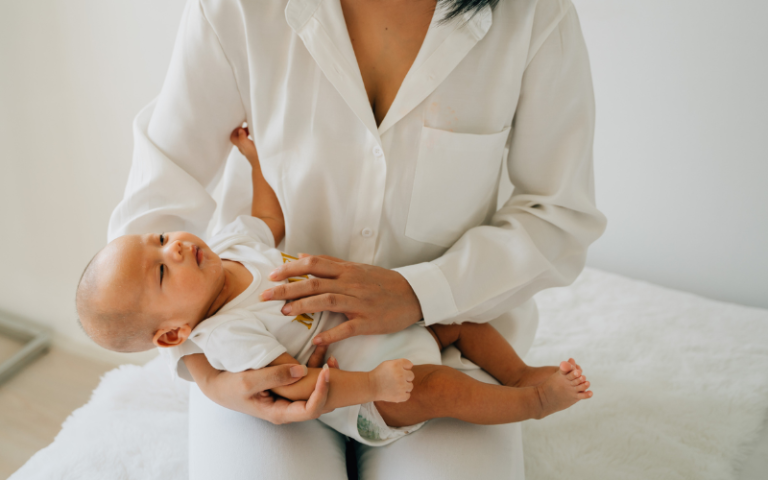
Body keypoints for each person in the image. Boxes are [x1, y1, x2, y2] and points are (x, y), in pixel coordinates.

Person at [108, 0, 606, 477]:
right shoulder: (236, 6)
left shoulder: (535, 14)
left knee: (443, 395)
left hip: (444, 336)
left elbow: (558, 214)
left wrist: (418, 292)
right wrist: (210, 376)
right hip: (269, 370)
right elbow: (155, 204)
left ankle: (529, 390)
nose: (171, 249)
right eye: (162, 261)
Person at [78, 127, 592, 445]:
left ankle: (520, 373)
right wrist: (375, 386)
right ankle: (534, 403)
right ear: (172, 334)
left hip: (380, 327)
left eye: (161, 238)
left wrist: (255, 163)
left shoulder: (231, 247)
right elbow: (294, 383)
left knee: (458, 321)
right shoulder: (224, 336)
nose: (174, 247)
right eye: (163, 271)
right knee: (437, 389)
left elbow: (268, 221)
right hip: (364, 390)